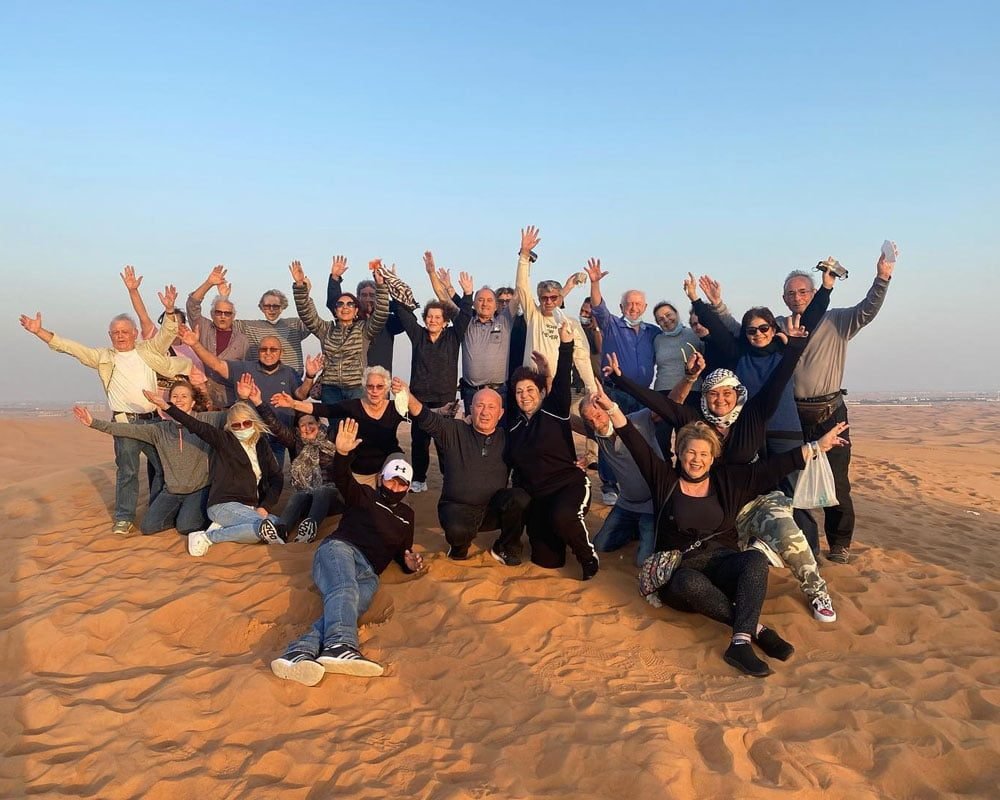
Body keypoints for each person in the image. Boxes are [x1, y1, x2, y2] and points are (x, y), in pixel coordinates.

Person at [605, 317, 839, 622]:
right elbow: (658, 403)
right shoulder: (693, 420)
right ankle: (748, 560)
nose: (720, 399)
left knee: (789, 532)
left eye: (727, 393)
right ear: (705, 397)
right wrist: (620, 380)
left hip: (754, 498)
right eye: (713, 393)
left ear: (737, 394)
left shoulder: (753, 416)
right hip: (715, 507)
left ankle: (816, 591)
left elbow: (778, 382)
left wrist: (793, 347)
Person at [608, 401, 849, 676]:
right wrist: (613, 409)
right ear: (679, 452)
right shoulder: (664, 480)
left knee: (755, 560)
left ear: (713, 457)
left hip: (723, 565)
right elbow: (634, 442)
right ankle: (755, 630)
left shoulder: (730, 481)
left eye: (703, 454)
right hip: (681, 574)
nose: (696, 460)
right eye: (690, 452)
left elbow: (776, 466)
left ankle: (740, 642)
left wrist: (818, 446)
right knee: (690, 582)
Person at [19, 288, 188, 537]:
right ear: (110, 335)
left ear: (134, 334)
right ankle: (124, 517)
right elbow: (70, 348)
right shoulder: (103, 357)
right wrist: (40, 332)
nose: (120, 336)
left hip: (154, 421)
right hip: (124, 423)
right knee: (128, 471)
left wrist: (171, 310)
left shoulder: (149, 350)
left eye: (124, 332)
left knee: (164, 468)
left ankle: (160, 512)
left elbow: (167, 333)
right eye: (115, 333)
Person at [270, 419, 423, 685]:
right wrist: (342, 454)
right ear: (381, 479)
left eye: (401, 484)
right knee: (345, 591)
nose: (395, 488)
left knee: (350, 606)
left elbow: (402, 550)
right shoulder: (363, 495)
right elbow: (342, 478)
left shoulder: (407, 516)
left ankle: (299, 651)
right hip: (339, 550)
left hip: (370, 573)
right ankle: (341, 646)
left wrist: (408, 562)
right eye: (391, 481)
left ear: (407, 487)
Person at [689, 270, 834, 552]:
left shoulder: (786, 350)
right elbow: (715, 328)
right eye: (751, 330)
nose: (758, 334)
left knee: (793, 493)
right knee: (760, 490)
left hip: (785, 431)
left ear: (773, 329)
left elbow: (811, 317)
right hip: (751, 433)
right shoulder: (738, 354)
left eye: (764, 328)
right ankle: (767, 543)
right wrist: (696, 299)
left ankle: (810, 551)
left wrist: (826, 288)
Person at [777, 245, 897, 563]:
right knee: (791, 480)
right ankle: (797, 540)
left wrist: (882, 278)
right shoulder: (778, 326)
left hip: (830, 414)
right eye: (791, 293)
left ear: (814, 291)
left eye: (803, 291)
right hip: (791, 417)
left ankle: (840, 544)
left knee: (837, 483)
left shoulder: (837, 321)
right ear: (784, 298)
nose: (797, 296)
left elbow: (867, 310)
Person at [395, 377, 529, 563]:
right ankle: (459, 547)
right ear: (471, 409)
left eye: (491, 407)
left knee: (520, 498)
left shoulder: (508, 439)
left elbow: (535, 451)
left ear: (500, 413)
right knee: (458, 531)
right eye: (480, 405)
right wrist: (408, 396)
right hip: (458, 508)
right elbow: (426, 417)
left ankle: (506, 546)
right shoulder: (454, 431)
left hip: (493, 509)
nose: (485, 412)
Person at [505, 320, 599, 580]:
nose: (525, 395)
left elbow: (561, 379)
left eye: (530, 390)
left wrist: (565, 343)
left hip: (568, 486)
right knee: (547, 560)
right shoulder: (512, 427)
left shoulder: (554, 410)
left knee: (563, 516)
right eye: (519, 391)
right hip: (538, 499)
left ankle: (587, 556)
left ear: (540, 391)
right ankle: (560, 535)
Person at [71, 379, 224, 535]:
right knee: (149, 527)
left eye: (184, 396)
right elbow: (128, 430)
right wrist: (93, 423)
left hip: (198, 489)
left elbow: (233, 415)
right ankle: (183, 514)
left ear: (193, 402)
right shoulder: (160, 429)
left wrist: (246, 398)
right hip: (171, 491)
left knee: (186, 527)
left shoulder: (207, 420)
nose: (179, 399)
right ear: (169, 401)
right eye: (175, 396)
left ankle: (192, 516)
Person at [154, 391, 286, 557]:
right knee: (262, 527)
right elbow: (196, 426)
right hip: (223, 505)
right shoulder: (224, 440)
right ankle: (208, 537)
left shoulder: (261, 444)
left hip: (251, 506)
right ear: (230, 427)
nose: (242, 428)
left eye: (246, 423)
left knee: (277, 524)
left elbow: (276, 477)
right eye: (236, 425)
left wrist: (265, 507)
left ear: (253, 422)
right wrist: (167, 406)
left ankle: (227, 528)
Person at [177, 328, 318, 466]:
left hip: (278, 439)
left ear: (281, 353)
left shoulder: (289, 372)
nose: (268, 353)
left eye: (273, 349)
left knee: (273, 481)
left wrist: (310, 376)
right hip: (249, 438)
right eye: (264, 349)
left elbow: (301, 394)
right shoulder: (244, 368)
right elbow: (216, 364)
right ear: (258, 352)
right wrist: (195, 344)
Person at [585, 258, 660, 505]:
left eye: (638, 304)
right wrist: (595, 283)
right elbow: (597, 307)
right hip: (615, 392)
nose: (634, 308)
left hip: (641, 394)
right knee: (609, 436)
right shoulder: (611, 324)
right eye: (629, 304)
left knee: (639, 438)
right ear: (622, 306)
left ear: (645, 307)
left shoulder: (652, 331)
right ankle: (609, 486)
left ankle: (638, 482)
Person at [395, 262, 474, 493]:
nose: (432, 320)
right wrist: (395, 285)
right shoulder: (418, 335)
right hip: (419, 399)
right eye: (429, 317)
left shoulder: (453, 336)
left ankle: (449, 479)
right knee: (419, 442)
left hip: (445, 400)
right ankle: (419, 479)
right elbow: (403, 313)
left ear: (445, 320)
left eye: (437, 317)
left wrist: (468, 294)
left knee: (444, 443)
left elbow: (466, 315)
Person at [242, 377, 344, 543]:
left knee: (322, 490)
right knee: (298, 495)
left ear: (319, 424)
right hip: (306, 497)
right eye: (303, 425)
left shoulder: (332, 436)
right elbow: (274, 425)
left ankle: (310, 528)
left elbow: (341, 413)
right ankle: (281, 531)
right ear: (298, 429)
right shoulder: (295, 441)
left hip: (333, 499)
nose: (308, 428)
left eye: (311, 423)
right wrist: (258, 402)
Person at [272, 366, 407, 487]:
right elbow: (325, 409)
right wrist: (293, 404)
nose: (374, 391)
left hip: (388, 464)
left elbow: (419, 413)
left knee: (398, 469)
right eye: (370, 386)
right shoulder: (353, 406)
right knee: (359, 506)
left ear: (387, 388)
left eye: (379, 386)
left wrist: (405, 392)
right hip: (362, 468)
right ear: (364, 387)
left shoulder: (395, 407)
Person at [578, 390, 661, 567]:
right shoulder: (598, 433)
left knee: (643, 562)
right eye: (589, 420)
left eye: (598, 415)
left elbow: (670, 405)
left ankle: (652, 532)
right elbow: (567, 419)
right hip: (626, 503)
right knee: (601, 545)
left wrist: (689, 378)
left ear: (607, 408)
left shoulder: (638, 420)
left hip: (652, 504)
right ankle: (634, 530)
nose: (595, 422)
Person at [290, 257, 389, 404]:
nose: (345, 307)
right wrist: (300, 286)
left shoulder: (364, 330)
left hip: (357, 388)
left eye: (350, 304)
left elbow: (381, 314)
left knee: (357, 426)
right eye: (340, 304)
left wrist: (381, 286)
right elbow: (306, 314)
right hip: (330, 389)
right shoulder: (325, 329)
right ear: (335, 310)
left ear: (356, 310)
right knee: (335, 426)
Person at [514, 226, 597, 393]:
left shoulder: (570, 324)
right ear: (539, 299)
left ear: (561, 299)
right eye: (544, 298)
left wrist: (592, 390)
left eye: (554, 298)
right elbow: (522, 286)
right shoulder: (533, 315)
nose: (549, 302)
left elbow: (581, 358)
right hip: (532, 385)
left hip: (560, 385)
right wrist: (524, 255)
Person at [120, 267, 210, 408]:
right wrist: (133, 290)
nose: (174, 328)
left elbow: (200, 388)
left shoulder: (191, 353)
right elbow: (142, 316)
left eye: (177, 323)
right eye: (170, 323)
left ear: (184, 325)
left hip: (179, 411)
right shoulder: (154, 338)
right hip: (153, 409)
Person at [185, 264, 250, 409]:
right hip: (200, 399)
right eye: (218, 312)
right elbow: (192, 305)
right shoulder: (203, 328)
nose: (222, 316)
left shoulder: (242, 340)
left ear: (233, 316)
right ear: (212, 314)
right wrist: (209, 283)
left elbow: (246, 372)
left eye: (227, 313)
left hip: (229, 401)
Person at [327, 257, 406, 372]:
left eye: (372, 295)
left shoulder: (387, 320)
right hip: (353, 381)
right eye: (364, 295)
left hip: (380, 382)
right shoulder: (350, 320)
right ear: (357, 298)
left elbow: (405, 319)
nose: (368, 298)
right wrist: (335, 278)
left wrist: (391, 289)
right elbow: (334, 303)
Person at [224, 284, 312, 374]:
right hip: (259, 380)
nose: (271, 310)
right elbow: (223, 323)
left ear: (282, 307)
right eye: (267, 306)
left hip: (292, 381)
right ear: (261, 308)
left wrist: (304, 295)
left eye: (275, 306)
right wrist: (224, 298)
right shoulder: (249, 327)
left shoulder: (294, 325)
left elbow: (312, 322)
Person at [457, 285, 516, 415]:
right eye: (480, 300)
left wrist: (524, 264)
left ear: (496, 306)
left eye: (489, 300)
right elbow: (444, 300)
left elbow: (520, 291)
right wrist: (432, 272)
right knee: (471, 432)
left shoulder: (505, 322)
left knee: (499, 432)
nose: (485, 304)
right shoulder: (465, 324)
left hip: (499, 391)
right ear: (473, 303)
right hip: (471, 392)